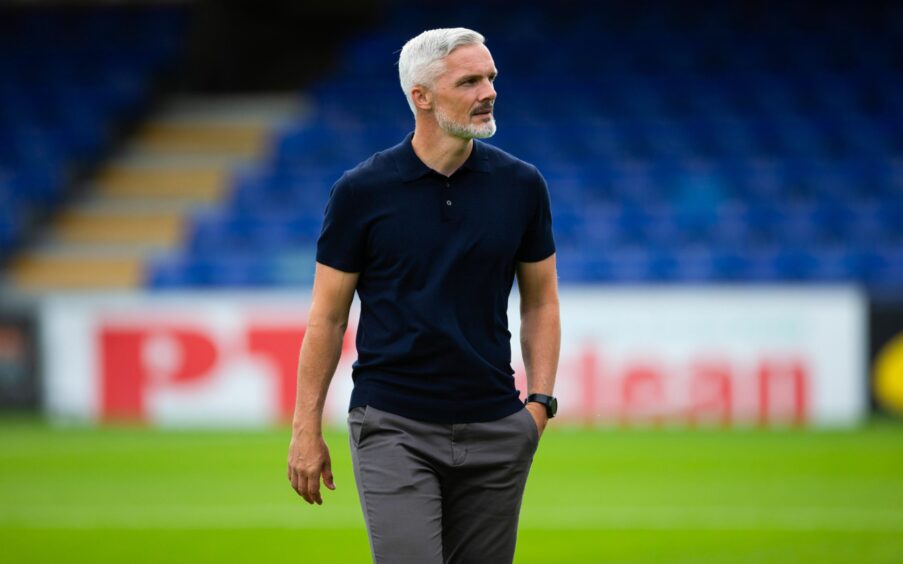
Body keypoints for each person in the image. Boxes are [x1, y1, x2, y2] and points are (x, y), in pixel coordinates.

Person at [287, 27, 560, 564]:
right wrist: (305, 429)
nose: (489, 91)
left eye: (491, 78)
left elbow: (542, 302)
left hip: (497, 427)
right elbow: (327, 319)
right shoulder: (361, 192)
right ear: (422, 97)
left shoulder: (522, 185)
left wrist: (540, 407)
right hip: (394, 426)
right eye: (470, 81)